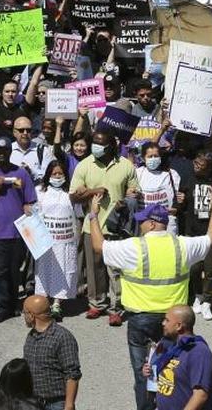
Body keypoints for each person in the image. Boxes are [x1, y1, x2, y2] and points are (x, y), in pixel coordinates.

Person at [90, 198, 212, 410]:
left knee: (143, 374)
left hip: (141, 321)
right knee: (172, 372)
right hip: (174, 322)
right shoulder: (183, 245)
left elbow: (98, 246)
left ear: (151, 224)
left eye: (142, 221)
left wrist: (93, 215)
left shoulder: (134, 247)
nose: (139, 224)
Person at [69, 130, 139, 325]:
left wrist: (126, 200)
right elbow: (73, 195)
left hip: (117, 228)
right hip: (92, 225)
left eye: (101, 143)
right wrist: (93, 192)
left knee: (115, 270)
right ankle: (96, 303)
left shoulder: (126, 166)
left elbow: (135, 192)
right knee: (94, 268)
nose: (96, 147)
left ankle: (115, 307)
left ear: (111, 146)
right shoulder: (85, 165)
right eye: (94, 143)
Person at [0, 136, 36, 323]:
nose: (2, 154)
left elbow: (29, 200)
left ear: (10, 152)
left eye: (5, 151)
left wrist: (29, 209)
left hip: (17, 231)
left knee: (14, 270)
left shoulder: (20, 173)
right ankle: (1, 307)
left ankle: (13, 304)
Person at [176, 150, 212, 321]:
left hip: (210, 233)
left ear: (209, 167)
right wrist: (179, 201)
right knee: (194, 268)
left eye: (200, 164)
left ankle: (207, 301)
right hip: (192, 232)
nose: (195, 165)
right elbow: (181, 206)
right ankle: (197, 295)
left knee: (209, 270)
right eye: (195, 162)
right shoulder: (188, 179)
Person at [143, 305, 212, 410]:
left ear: (179, 326)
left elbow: (200, 395)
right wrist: (150, 372)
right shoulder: (173, 346)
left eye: (167, 320)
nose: (163, 323)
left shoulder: (198, 351)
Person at [34, 161, 79, 319]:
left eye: (60, 174)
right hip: (46, 241)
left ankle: (57, 304)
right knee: (44, 271)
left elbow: (77, 213)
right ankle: (43, 302)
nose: (57, 177)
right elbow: (34, 213)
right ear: (48, 175)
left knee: (64, 270)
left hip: (65, 240)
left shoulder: (71, 193)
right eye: (54, 174)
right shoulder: (39, 191)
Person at [22, 295, 81, 410]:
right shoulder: (31, 336)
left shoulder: (62, 337)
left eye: (24, 313)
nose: (23, 316)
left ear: (32, 315)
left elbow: (72, 374)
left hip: (56, 403)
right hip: (33, 402)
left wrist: (69, 405)